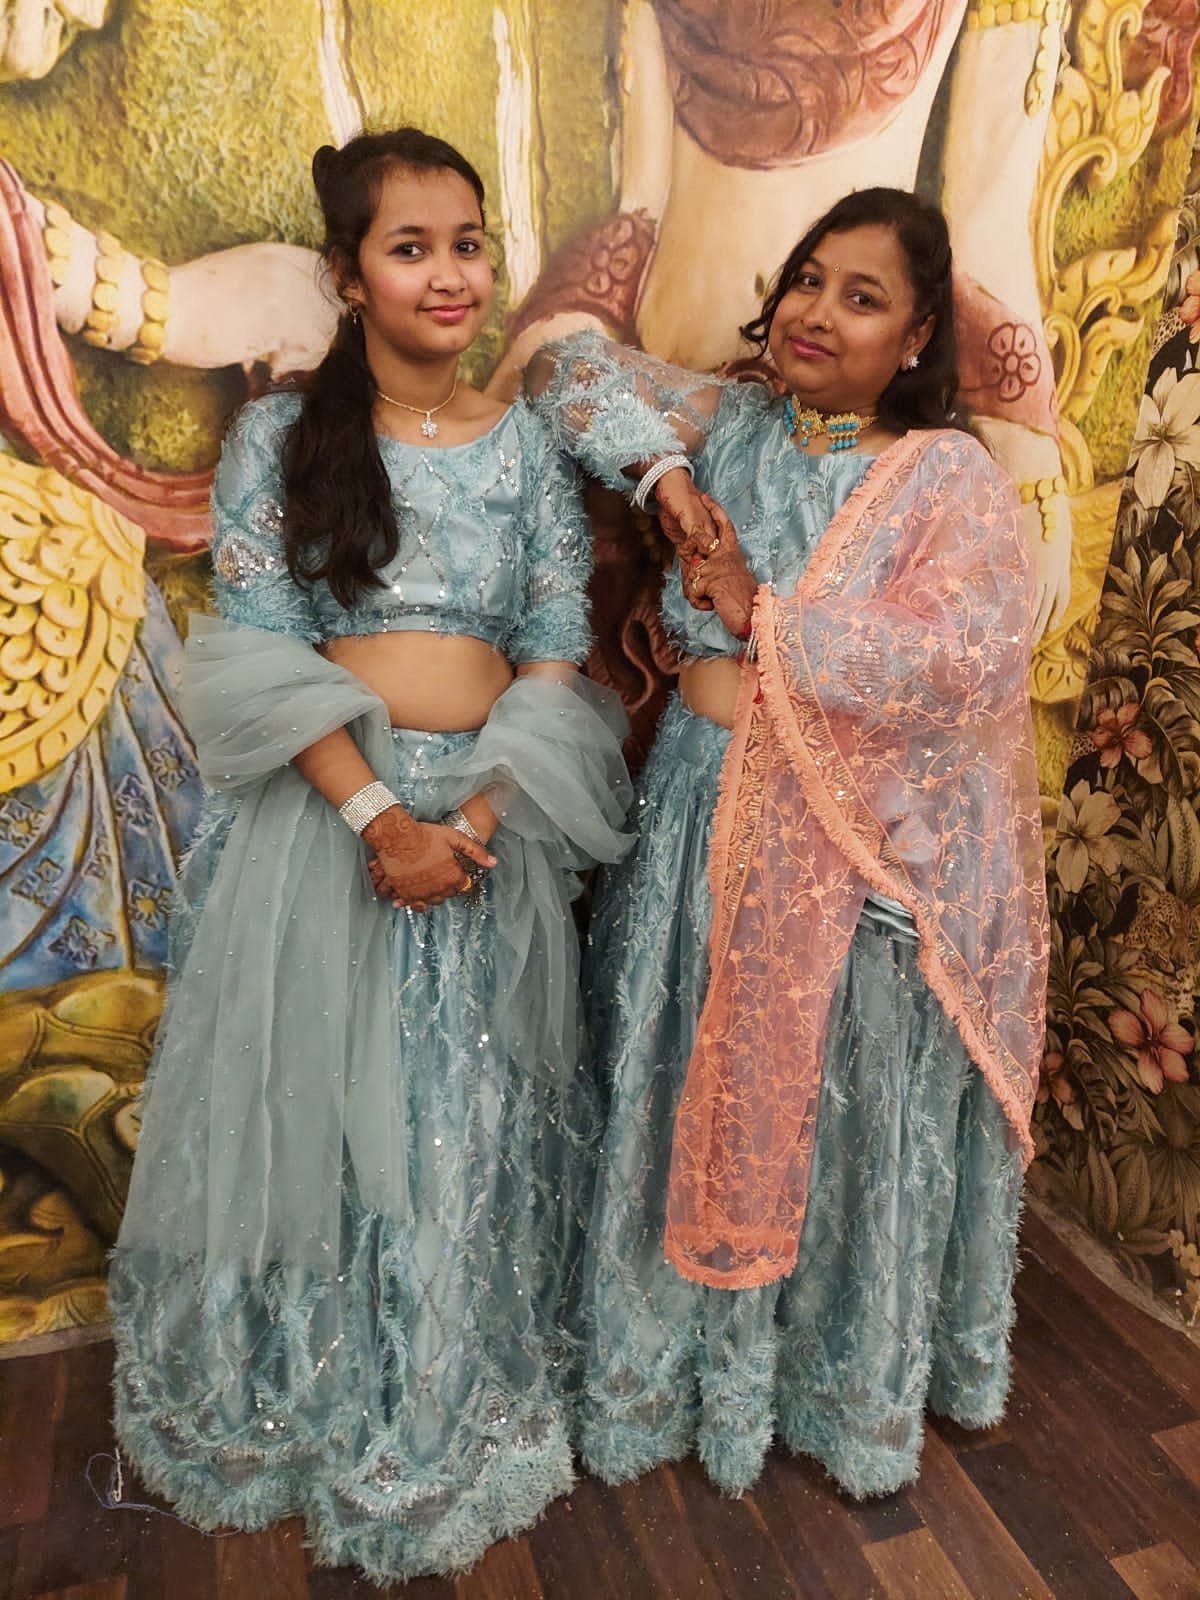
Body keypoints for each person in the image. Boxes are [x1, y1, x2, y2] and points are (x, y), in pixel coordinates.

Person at [107, 128, 631, 1584]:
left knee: (464, 1123)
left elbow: (555, 648)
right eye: (411, 249)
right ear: (349, 277)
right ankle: (313, 1405)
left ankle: (442, 1392)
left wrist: (475, 819)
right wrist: (380, 820)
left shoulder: (525, 446)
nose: (450, 275)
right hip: (331, 829)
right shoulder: (285, 440)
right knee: (327, 1117)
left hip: (488, 824)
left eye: (468, 243)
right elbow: (257, 653)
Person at [526, 187, 1049, 1501]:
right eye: (809, 279)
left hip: (838, 846)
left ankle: (820, 1385)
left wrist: (770, 615)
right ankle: (669, 1377)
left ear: (916, 338)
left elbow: (969, 660)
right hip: (698, 813)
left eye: (862, 298)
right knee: (676, 1074)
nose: (817, 312)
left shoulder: (944, 477)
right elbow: (560, 370)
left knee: (823, 1111)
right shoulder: (743, 424)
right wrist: (668, 478)